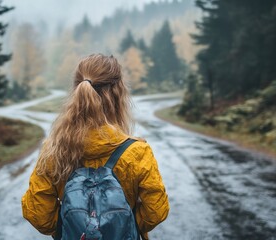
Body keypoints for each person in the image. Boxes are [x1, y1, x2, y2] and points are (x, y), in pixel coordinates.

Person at [21, 53, 169, 239]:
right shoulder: (137, 152)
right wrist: (122, 227)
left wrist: (71, 228)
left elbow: (38, 214)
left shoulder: (54, 149)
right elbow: (156, 211)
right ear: (118, 94)